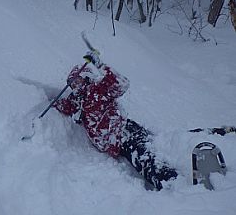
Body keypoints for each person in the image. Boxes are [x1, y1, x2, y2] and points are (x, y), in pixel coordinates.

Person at [53, 50, 178, 190]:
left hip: (124, 132)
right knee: (149, 153)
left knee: (146, 157)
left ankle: (172, 182)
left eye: (76, 80)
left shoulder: (98, 89)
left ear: (86, 77)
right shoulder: (76, 101)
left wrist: (99, 64)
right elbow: (63, 106)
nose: (74, 86)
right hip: (115, 141)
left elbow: (122, 83)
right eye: (70, 83)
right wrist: (50, 101)